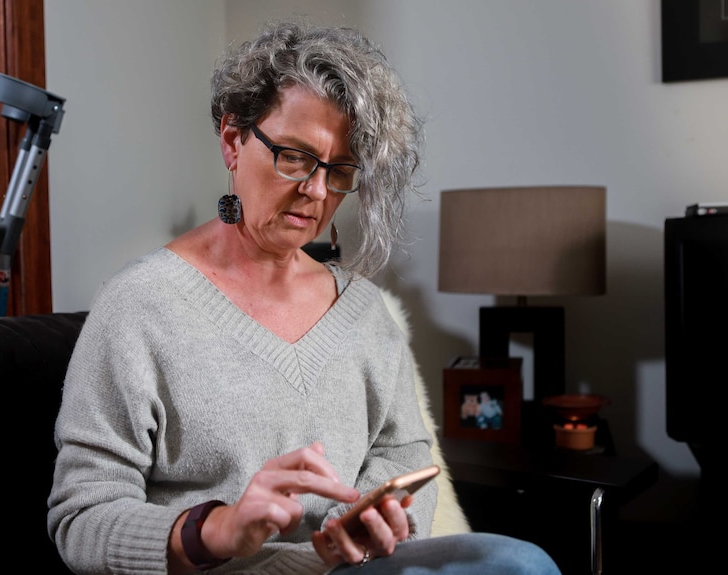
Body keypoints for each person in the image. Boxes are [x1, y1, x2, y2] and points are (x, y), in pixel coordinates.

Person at [47, 19, 562, 575]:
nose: (316, 190)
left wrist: (374, 525)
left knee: (517, 561)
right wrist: (218, 528)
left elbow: (403, 455)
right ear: (232, 139)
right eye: (294, 156)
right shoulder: (139, 306)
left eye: (339, 171)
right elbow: (82, 517)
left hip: (348, 569)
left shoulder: (364, 311)